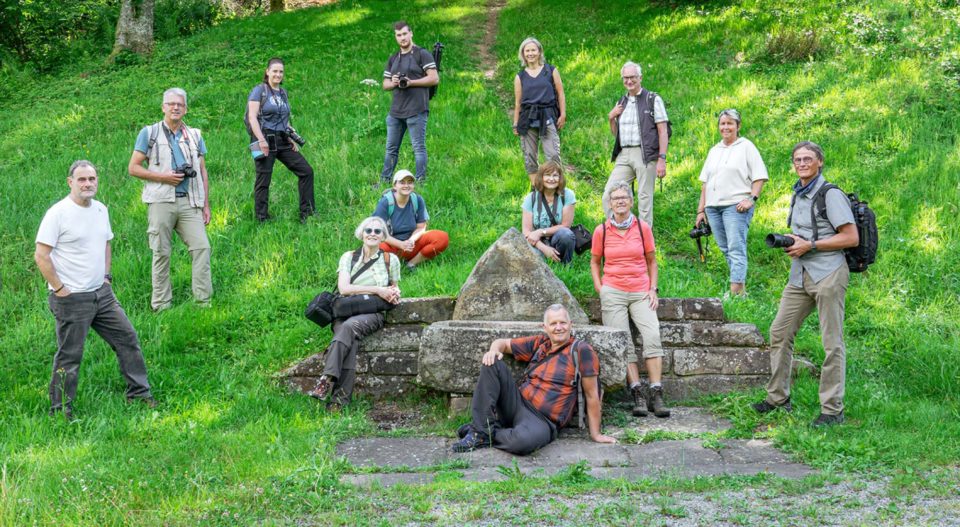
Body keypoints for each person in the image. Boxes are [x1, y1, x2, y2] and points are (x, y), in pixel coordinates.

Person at [35, 161, 155, 422]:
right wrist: (60, 289)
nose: (87, 184)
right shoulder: (58, 213)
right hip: (71, 299)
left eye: (92, 179)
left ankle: (139, 394)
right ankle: (60, 411)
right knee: (70, 355)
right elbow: (41, 255)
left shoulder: (101, 209)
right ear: (70, 182)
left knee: (127, 339)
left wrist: (106, 278)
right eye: (81, 179)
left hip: (102, 295)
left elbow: (106, 244)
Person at [752, 141, 858, 427]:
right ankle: (777, 398)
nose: (802, 163)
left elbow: (851, 237)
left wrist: (809, 245)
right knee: (779, 331)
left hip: (828, 273)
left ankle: (832, 410)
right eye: (797, 159)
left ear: (819, 161)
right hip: (800, 274)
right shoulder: (798, 192)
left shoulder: (830, 194)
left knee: (832, 343)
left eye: (808, 158)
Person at [452, 304, 617, 454]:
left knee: (522, 443)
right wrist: (493, 350)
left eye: (563, 323)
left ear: (570, 324)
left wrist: (596, 434)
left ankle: (484, 431)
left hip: (542, 420)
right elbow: (502, 343)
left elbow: (592, 395)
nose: (559, 328)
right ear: (545, 327)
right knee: (491, 362)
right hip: (517, 403)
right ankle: (482, 432)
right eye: (553, 324)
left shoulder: (582, 351)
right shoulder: (541, 343)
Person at [590, 182, 670, 418]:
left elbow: (652, 261)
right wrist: (601, 288)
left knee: (652, 335)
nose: (620, 201)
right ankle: (637, 392)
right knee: (622, 341)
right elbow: (595, 262)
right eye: (616, 198)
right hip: (613, 290)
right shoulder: (602, 230)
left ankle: (656, 391)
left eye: (624, 197)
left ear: (631, 201)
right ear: (610, 203)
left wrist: (653, 288)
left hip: (640, 290)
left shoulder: (642, 228)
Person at [128, 87, 213, 312]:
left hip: (190, 202)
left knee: (202, 247)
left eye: (180, 104)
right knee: (161, 252)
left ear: (186, 109)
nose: (176, 107)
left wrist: (206, 204)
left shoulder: (194, 135)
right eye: (171, 104)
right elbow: (133, 168)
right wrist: (163, 177)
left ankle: (203, 302)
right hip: (160, 201)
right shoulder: (150, 133)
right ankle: (161, 305)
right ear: (163, 107)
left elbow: (202, 171)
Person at [308, 216, 401, 410]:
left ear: (383, 236)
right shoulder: (348, 257)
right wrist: (377, 290)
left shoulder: (390, 259)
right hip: (344, 311)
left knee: (349, 328)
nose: (372, 234)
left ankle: (326, 378)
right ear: (362, 234)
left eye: (377, 231)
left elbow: (394, 287)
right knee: (350, 342)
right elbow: (344, 288)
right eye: (368, 230)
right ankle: (339, 403)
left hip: (372, 313)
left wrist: (394, 293)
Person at [694, 109, 768, 297]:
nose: (725, 127)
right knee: (726, 249)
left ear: (738, 126)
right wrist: (700, 211)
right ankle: (740, 291)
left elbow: (759, 176)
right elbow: (705, 183)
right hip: (712, 207)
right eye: (722, 123)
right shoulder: (714, 150)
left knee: (736, 248)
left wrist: (751, 199)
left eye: (730, 123)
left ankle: (735, 293)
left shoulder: (746, 146)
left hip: (735, 206)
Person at [246, 57, 316, 223]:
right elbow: (252, 117)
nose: (278, 74)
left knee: (306, 171)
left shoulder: (283, 93)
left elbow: (283, 119)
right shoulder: (259, 90)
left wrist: (290, 137)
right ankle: (262, 218)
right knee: (263, 179)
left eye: (281, 72)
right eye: (275, 71)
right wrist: (261, 140)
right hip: (263, 137)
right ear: (267, 72)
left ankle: (307, 214)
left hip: (282, 139)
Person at [603, 61, 670, 226]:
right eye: (625, 78)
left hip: (645, 153)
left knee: (644, 197)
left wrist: (662, 158)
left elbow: (663, 131)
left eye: (632, 77)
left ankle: (644, 236)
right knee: (609, 195)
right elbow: (617, 134)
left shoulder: (652, 99)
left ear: (640, 77)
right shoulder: (622, 101)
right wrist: (611, 118)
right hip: (624, 154)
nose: (629, 81)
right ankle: (620, 230)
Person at [380, 20, 439, 184]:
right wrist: (394, 82)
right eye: (399, 35)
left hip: (416, 109)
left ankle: (420, 182)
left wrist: (411, 82)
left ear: (411, 34)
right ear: (396, 37)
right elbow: (385, 85)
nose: (402, 38)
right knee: (391, 149)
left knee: (418, 148)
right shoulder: (393, 58)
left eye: (405, 34)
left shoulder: (422, 54)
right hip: (396, 112)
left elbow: (434, 78)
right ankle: (384, 181)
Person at [512, 37, 566, 186]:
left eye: (533, 50)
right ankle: (536, 189)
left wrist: (563, 114)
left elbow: (560, 93)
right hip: (527, 118)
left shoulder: (551, 70)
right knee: (529, 155)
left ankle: (555, 188)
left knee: (553, 154)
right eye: (527, 51)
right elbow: (518, 103)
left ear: (539, 51)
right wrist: (515, 123)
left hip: (547, 115)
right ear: (523, 54)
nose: (530, 53)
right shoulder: (520, 77)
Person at [373, 169, 449, 271]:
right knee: (375, 248)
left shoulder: (417, 199)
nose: (406, 185)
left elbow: (421, 227)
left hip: (411, 244)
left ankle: (411, 264)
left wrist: (411, 240)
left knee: (442, 238)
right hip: (391, 244)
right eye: (402, 182)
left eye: (410, 182)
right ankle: (392, 265)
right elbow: (378, 232)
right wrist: (400, 244)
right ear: (395, 186)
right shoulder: (386, 202)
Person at [521, 161, 576, 264]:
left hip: (557, 237)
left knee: (566, 234)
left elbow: (565, 226)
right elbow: (526, 232)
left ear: (560, 178)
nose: (551, 179)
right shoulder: (531, 198)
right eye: (547, 175)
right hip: (538, 242)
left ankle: (565, 265)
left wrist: (541, 231)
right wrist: (544, 248)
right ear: (541, 177)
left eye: (555, 175)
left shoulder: (567, 195)